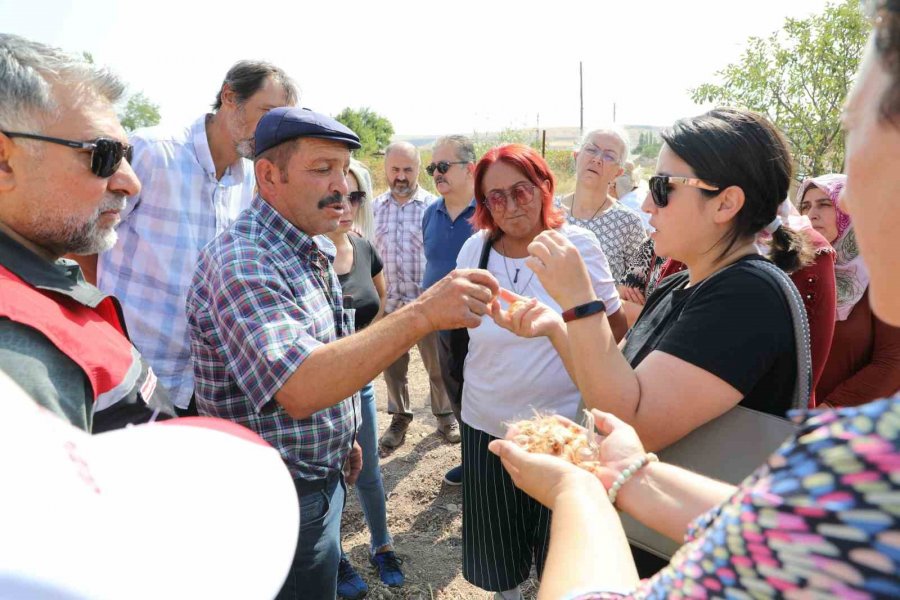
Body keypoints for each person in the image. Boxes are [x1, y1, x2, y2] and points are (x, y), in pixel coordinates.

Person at [487, 3, 900, 596]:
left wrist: (579, 305)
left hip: (670, 548)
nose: (647, 203)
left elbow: (630, 415)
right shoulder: (689, 282)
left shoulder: (748, 295)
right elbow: (623, 374)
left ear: (726, 203)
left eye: (662, 187)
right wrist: (557, 325)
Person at [185, 107, 498, 599]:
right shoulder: (244, 261)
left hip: (318, 473)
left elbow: (326, 352)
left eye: (343, 169)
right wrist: (422, 313)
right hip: (276, 495)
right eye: (321, 168)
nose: (339, 185)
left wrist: (344, 435)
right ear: (268, 174)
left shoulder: (305, 247)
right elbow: (302, 385)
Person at [456, 144, 626, 599]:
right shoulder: (476, 249)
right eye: (496, 197)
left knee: (561, 550)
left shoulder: (577, 246)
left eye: (521, 191)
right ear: (484, 204)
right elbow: (461, 328)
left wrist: (558, 330)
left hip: (561, 431)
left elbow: (613, 330)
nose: (510, 207)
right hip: (486, 424)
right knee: (499, 553)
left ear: (545, 187)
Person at [93, 61, 296, 417]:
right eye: (267, 113)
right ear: (230, 97)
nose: (272, 130)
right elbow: (88, 237)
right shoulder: (154, 151)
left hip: (206, 381)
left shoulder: (250, 179)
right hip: (132, 374)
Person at [0, 34, 174, 432]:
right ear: (4, 161)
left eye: (125, 156)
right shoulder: (17, 352)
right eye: (103, 155)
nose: (131, 183)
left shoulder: (44, 273)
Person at [327, 160, 404, 599]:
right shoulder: (307, 254)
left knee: (370, 470)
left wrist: (371, 351)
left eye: (355, 196)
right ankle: (335, 555)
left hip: (361, 385)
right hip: (321, 388)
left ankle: (382, 545)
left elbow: (382, 301)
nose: (345, 205)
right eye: (337, 195)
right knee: (331, 474)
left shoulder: (364, 248)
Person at [374, 141, 458, 449]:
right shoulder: (373, 209)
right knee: (394, 371)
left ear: (418, 169)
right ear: (385, 169)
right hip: (391, 307)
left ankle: (445, 415)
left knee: (438, 369)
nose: (401, 176)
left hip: (427, 306)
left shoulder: (434, 209)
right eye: (395, 169)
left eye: (408, 169)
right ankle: (399, 418)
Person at [798, 173, 900, 406]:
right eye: (805, 206)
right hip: (779, 420)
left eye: (825, 204)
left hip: (841, 424)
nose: (811, 214)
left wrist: (828, 410)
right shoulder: (795, 271)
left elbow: (893, 361)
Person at [422, 135, 479, 486]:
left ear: (469, 168)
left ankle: (492, 460)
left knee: (485, 392)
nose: (437, 174)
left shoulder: (489, 212)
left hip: (481, 323)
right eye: (432, 168)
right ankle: (471, 459)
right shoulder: (432, 212)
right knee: (454, 388)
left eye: (444, 166)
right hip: (442, 324)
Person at [558, 127, 646, 282]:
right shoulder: (548, 210)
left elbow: (637, 289)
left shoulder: (628, 222)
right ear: (576, 156)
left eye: (609, 156)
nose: (597, 159)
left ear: (618, 172)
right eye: (591, 150)